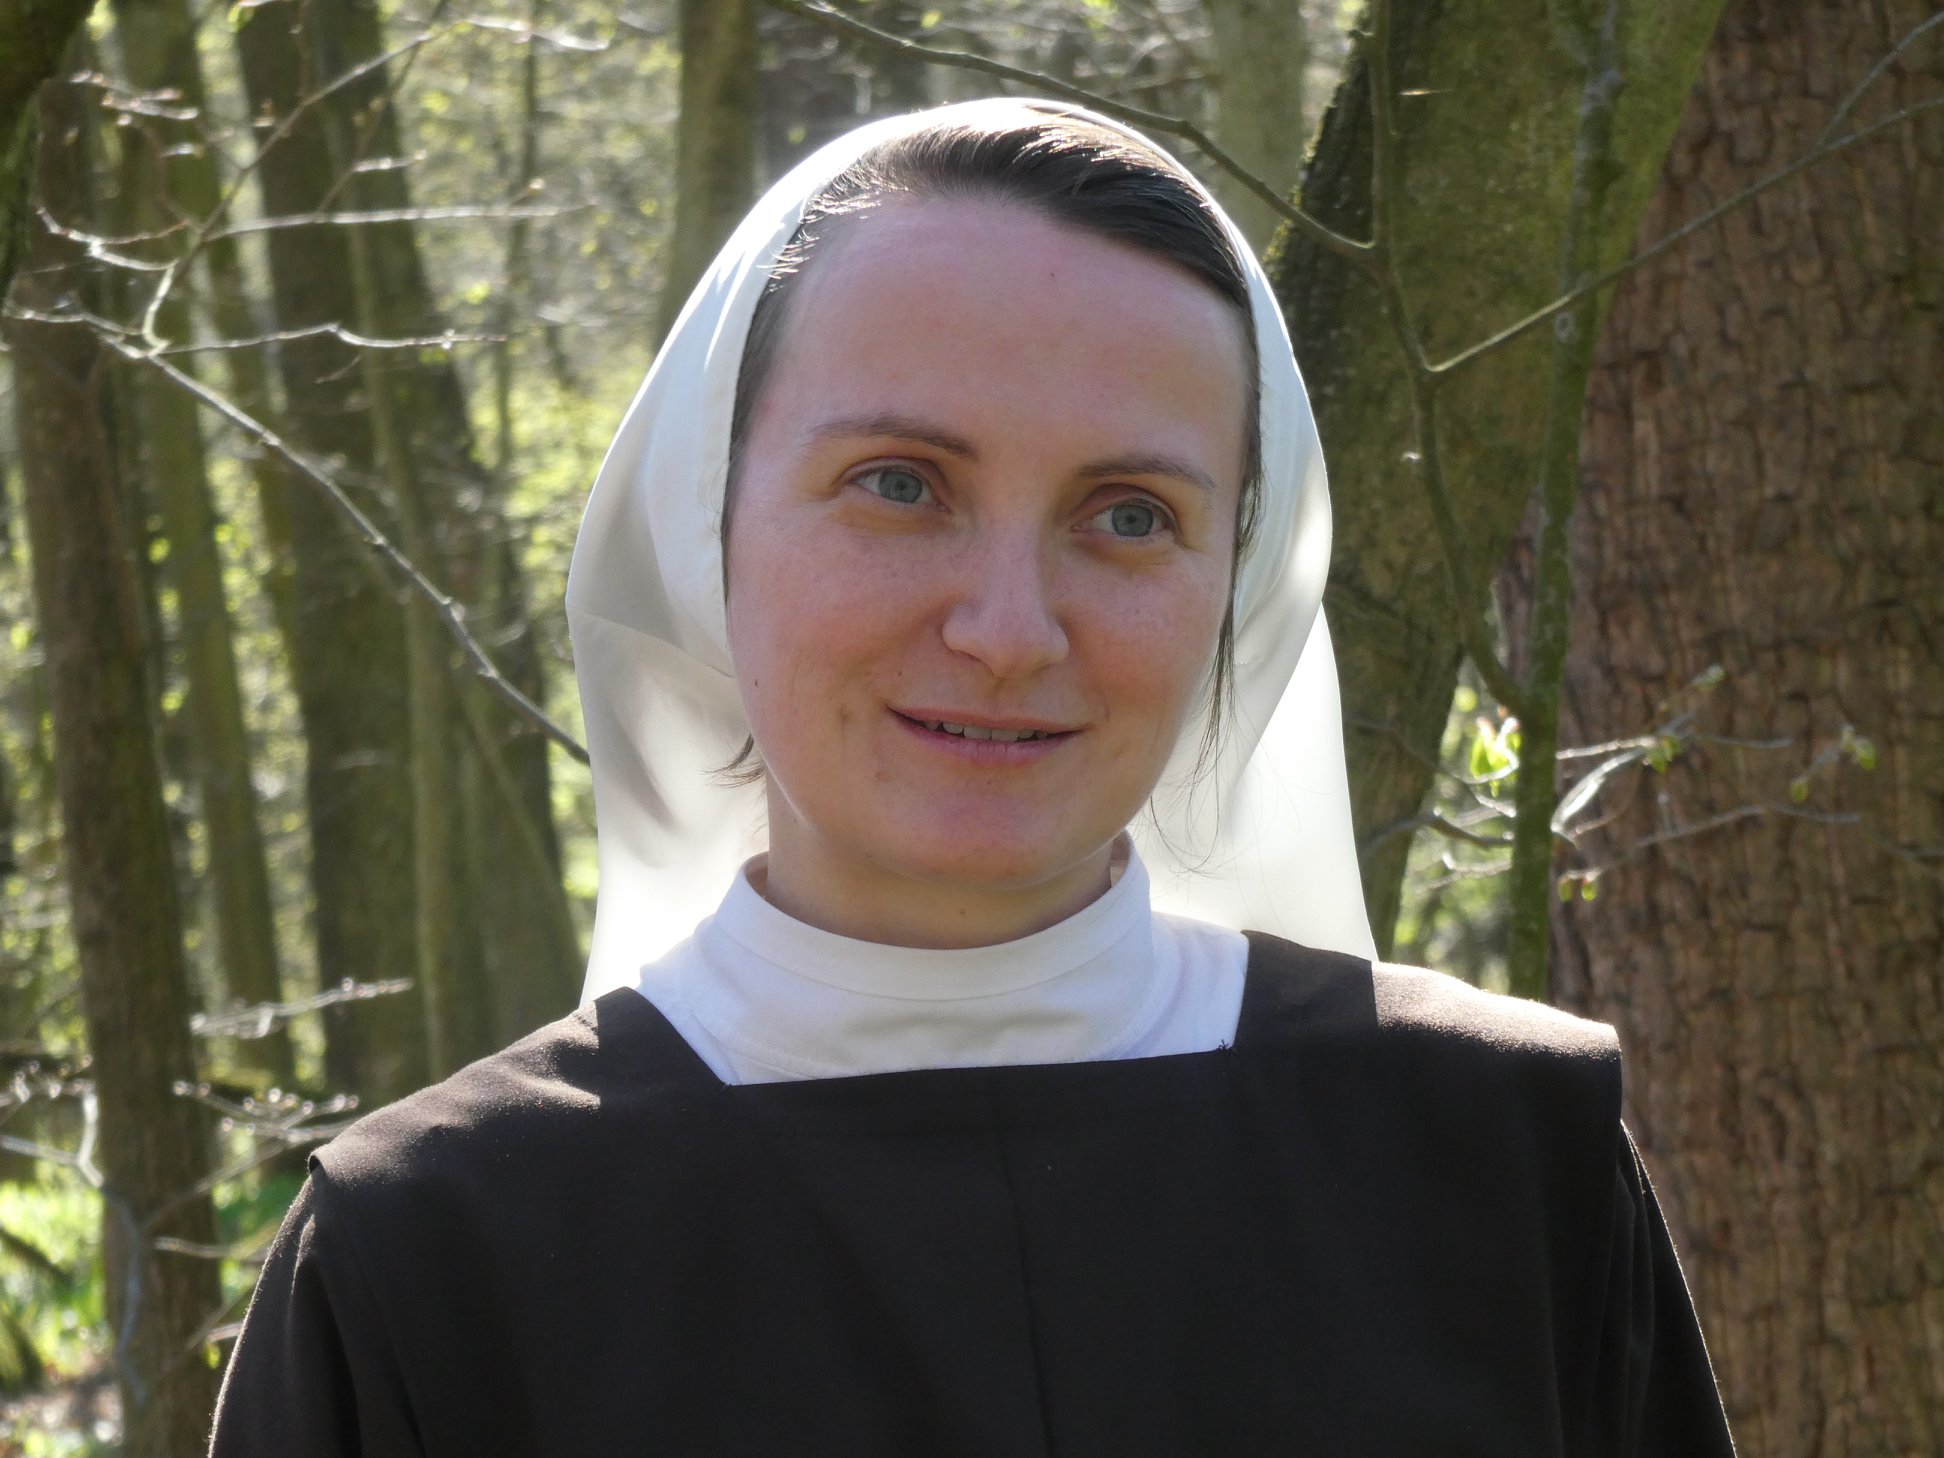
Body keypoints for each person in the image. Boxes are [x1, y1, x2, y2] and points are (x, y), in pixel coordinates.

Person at [207, 100, 1736, 1455]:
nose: (1009, 631)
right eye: (900, 485)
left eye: (1129, 515)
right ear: (706, 522)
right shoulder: (426, 1261)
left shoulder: (1505, 1163)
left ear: (1236, 581)